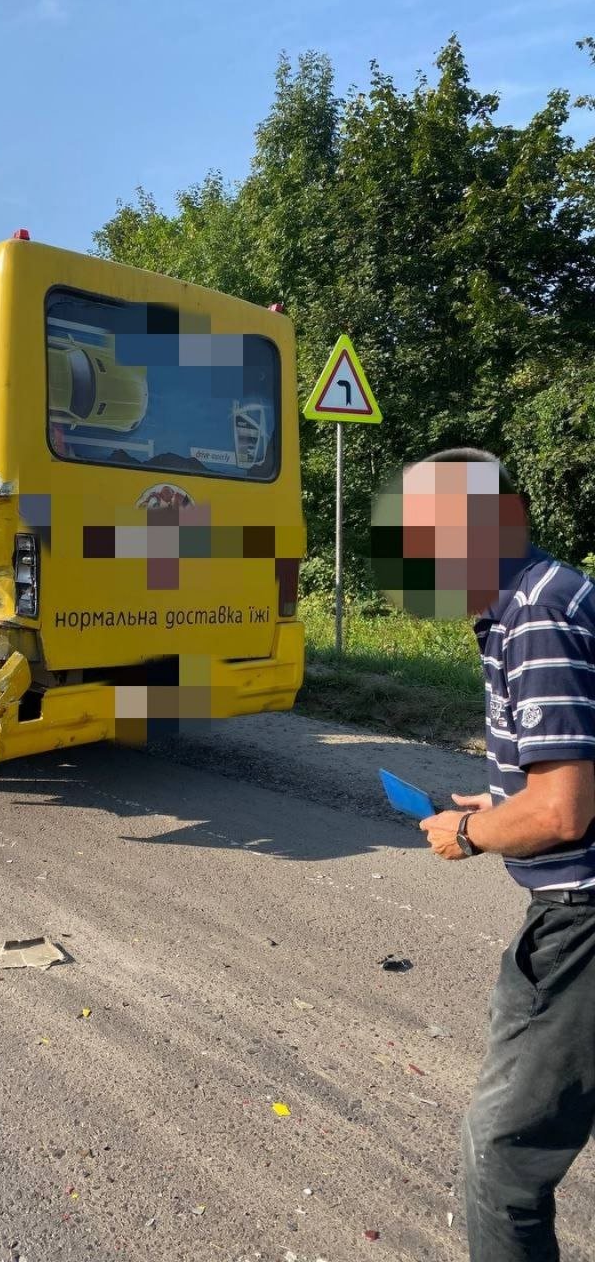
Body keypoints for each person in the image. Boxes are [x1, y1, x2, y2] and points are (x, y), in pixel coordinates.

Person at [372, 448, 595, 1261]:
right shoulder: (536, 598)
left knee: (502, 1158)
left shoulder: (535, 614)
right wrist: (500, 804)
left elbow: (564, 811)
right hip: (571, 911)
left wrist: (470, 833)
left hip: (584, 919)